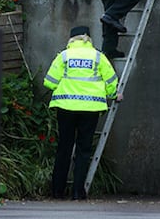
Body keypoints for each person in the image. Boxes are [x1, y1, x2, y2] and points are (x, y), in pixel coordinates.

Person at [43, 25, 120, 200]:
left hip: (66, 108)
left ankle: (57, 191)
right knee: (83, 150)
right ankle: (78, 192)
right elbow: (111, 82)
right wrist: (115, 95)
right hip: (90, 109)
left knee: (64, 148)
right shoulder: (99, 57)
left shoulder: (64, 56)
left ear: (71, 39)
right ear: (89, 39)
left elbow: (49, 82)